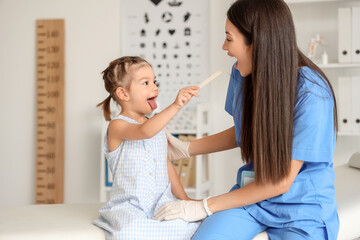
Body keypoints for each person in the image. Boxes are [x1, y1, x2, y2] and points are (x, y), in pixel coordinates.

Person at [154, 0, 339, 239]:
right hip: (253, 200)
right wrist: (186, 148)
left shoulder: (312, 93)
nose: (224, 47)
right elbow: (246, 130)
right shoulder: (243, 73)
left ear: (258, 41)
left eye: (229, 38)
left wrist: (203, 206)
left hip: (301, 208)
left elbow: (281, 181)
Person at [93, 56, 201, 240]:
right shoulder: (117, 126)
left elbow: (167, 165)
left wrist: (185, 199)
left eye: (154, 81)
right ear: (123, 94)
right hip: (130, 206)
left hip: (161, 202)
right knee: (128, 231)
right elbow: (144, 131)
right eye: (145, 83)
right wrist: (176, 105)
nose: (154, 87)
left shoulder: (155, 126)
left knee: (192, 224)